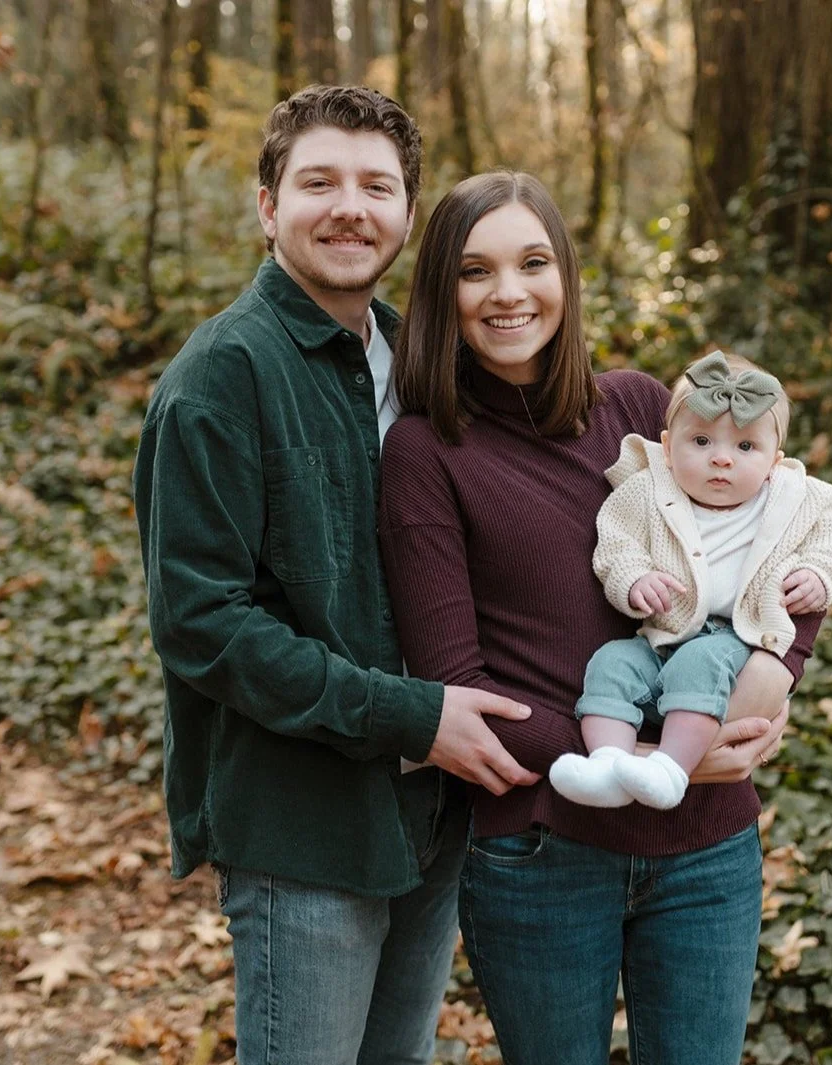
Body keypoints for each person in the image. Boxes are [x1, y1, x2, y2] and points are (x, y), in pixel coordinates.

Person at [378, 171, 827, 1065]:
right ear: (442, 292)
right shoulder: (425, 453)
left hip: (705, 848)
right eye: (476, 271)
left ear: (564, 277)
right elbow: (458, 685)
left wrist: (765, 687)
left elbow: (782, 526)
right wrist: (639, 764)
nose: (509, 292)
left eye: (532, 262)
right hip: (543, 849)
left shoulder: (635, 406)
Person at [132, 87, 540, 1065]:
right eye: (319, 182)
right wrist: (410, 716)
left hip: (433, 817)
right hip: (306, 831)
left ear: (407, 211)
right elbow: (202, 623)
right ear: (268, 205)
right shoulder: (223, 373)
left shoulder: (427, 359)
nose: (350, 207)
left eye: (377, 186)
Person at [549, 351, 832, 811]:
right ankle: (608, 764)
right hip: (659, 634)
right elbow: (615, 545)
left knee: (702, 659)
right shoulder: (646, 491)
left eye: (745, 447)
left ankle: (670, 768)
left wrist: (819, 575)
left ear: (775, 460)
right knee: (611, 662)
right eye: (700, 441)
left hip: (737, 634)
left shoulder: (799, 497)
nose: (721, 460)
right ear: (668, 447)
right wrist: (634, 580)